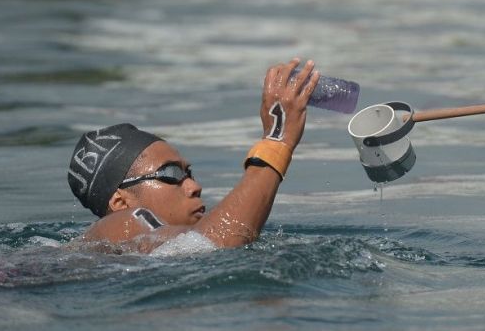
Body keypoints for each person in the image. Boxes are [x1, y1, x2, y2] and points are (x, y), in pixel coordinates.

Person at [67, 58, 320, 252]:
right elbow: (212, 244)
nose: (194, 186)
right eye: (171, 173)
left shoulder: (138, 249)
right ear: (120, 202)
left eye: (189, 173)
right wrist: (277, 141)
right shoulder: (125, 223)